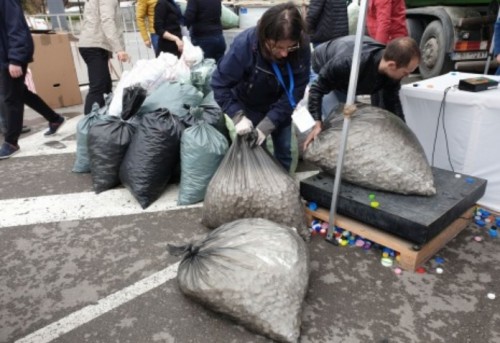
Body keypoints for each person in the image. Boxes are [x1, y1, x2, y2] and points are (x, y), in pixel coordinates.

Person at [211, 2, 310, 172]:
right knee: (255, 153)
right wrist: (237, 116)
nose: (285, 53)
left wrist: (270, 122)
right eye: (278, 47)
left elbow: (297, 89)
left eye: (290, 47)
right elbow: (219, 84)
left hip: (282, 104)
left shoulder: (301, 46)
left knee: (285, 150)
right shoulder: (245, 46)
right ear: (265, 37)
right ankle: (259, 190)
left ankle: (284, 188)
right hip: (250, 105)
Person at [303, 35, 420, 150]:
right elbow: (317, 90)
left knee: (350, 118)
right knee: (337, 123)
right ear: (391, 65)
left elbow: (392, 102)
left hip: (350, 74)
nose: (407, 76)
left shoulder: (390, 71)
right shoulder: (347, 63)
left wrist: (404, 131)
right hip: (323, 64)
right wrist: (317, 122)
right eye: (405, 73)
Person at [0, 0, 66, 159]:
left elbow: (16, 27)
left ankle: (11, 142)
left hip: (11, 56)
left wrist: (16, 59)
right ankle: (55, 119)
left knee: (11, 98)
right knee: (20, 93)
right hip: (5, 56)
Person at [78, 0, 129, 115]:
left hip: (94, 45)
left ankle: (103, 122)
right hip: (94, 45)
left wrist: (108, 50)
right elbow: (107, 21)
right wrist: (119, 49)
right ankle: (89, 125)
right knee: (98, 87)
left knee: (105, 86)